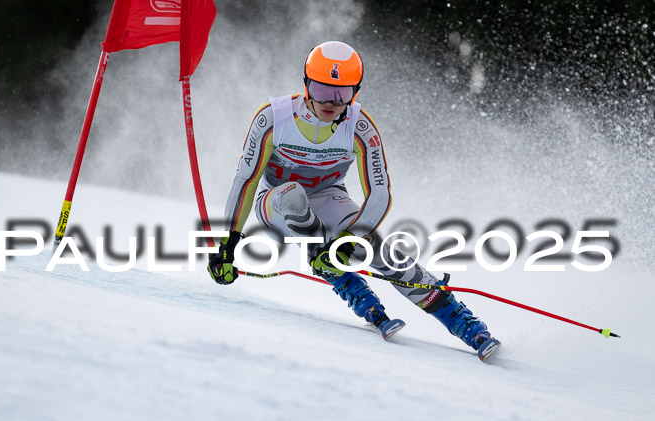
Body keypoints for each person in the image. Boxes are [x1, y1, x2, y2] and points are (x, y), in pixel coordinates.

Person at [207, 41, 500, 361]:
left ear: (355, 92)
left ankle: (462, 322)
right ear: (306, 85)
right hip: (275, 203)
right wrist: (227, 243)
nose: (330, 102)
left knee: (378, 250)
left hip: (328, 197)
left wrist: (350, 239)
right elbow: (246, 181)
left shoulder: (360, 127)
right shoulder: (273, 118)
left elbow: (380, 193)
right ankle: (335, 270)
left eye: (342, 93)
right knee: (293, 195)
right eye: (320, 90)